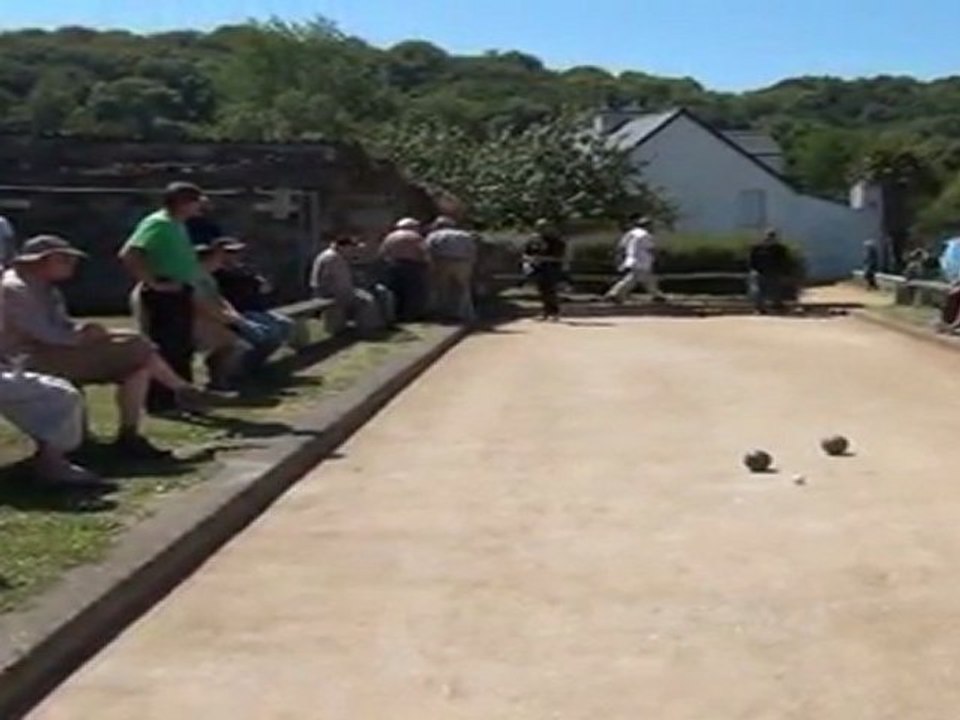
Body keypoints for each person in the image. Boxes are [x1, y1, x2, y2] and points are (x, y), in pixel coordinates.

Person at [1, 236, 205, 458]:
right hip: (27, 359)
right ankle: (182, 389)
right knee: (136, 347)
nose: (72, 265)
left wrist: (90, 332)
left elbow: (61, 327)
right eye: (65, 259)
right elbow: (46, 334)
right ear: (41, 260)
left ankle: (130, 434)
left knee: (137, 366)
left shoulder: (45, 288)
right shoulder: (15, 289)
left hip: (53, 352)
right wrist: (83, 336)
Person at [120, 182, 206, 414]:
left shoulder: (177, 225)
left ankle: (184, 397)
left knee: (182, 347)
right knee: (165, 347)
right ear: (182, 202)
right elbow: (130, 254)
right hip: (164, 294)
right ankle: (160, 402)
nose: (201, 206)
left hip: (180, 291)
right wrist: (153, 282)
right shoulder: (158, 223)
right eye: (196, 201)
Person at [213, 239, 292, 366]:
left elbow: (265, 287)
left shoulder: (243, 269)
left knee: (286, 324)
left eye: (237, 251)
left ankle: (255, 362)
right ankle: (246, 365)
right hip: (238, 312)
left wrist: (257, 281)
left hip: (256, 309)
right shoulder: (216, 272)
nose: (235, 255)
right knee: (272, 333)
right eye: (230, 251)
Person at [193, 240, 255, 391]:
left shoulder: (208, 277)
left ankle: (225, 376)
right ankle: (219, 379)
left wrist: (232, 314)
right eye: (215, 259)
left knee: (241, 340)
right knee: (237, 344)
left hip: (214, 319)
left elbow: (220, 299)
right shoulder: (194, 279)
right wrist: (230, 319)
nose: (219, 262)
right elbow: (203, 305)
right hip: (196, 323)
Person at [311, 237, 387, 336]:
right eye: (350, 248)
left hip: (337, 290)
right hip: (329, 293)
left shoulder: (336, 255)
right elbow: (333, 280)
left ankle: (367, 327)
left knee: (366, 296)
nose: (351, 251)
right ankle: (368, 329)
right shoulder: (332, 258)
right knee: (367, 300)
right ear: (343, 247)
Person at [425, 216, 477, 324]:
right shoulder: (464, 235)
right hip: (463, 262)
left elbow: (428, 249)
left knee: (442, 288)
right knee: (462, 288)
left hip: (442, 261)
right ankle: (464, 314)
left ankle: (444, 314)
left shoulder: (434, 235)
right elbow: (472, 250)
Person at [379, 218, 430, 322]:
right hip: (412, 266)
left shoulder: (390, 237)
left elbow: (382, 252)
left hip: (393, 265)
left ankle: (397, 314)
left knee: (396, 291)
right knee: (413, 292)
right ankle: (411, 315)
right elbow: (424, 251)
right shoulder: (415, 237)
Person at [605, 215, 664, 304]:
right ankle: (615, 294)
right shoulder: (645, 235)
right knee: (633, 279)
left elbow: (621, 247)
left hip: (631, 259)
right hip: (642, 261)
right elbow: (650, 248)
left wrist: (620, 259)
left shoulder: (630, 233)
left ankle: (657, 295)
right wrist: (658, 257)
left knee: (648, 279)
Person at [523, 219, 567, 321]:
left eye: (544, 227)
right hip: (537, 268)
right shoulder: (533, 240)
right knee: (541, 290)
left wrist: (541, 259)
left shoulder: (556, 241)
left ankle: (555, 312)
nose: (541, 229)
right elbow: (526, 252)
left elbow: (558, 257)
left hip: (551, 268)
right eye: (539, 227)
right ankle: (545, 312)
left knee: (551, 290)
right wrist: (527, 262)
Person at [748, 229, 792, 314]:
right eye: (768, 236)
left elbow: (784, 261)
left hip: (773, 272)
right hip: (760, 272)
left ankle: (776, 306)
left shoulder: (779, 249)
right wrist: (754, 269)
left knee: (775, 290)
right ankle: (760, 308)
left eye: (771, 237)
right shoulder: (757, 248)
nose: (769, 239)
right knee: (758, 291)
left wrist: (784, 272)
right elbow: (751, 260)